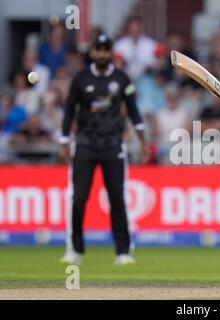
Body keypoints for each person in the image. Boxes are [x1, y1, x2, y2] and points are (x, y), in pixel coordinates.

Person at [59, 34, 148, 266]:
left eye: (105, 50)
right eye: (98, 50)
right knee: (78, 197)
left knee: (117, 198)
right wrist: (63, 141)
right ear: (92, 53)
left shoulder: (121, 79)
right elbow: (69, 111)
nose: (101, 54)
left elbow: (133, 110)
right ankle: (74, 248)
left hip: (112, 144)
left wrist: (143, 141)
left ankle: (123, 251)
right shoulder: (80, 78)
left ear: (110, 53)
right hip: (85, 143)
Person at [113, 16, 157, 82]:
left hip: (146, 80)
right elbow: (116, 65)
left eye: (137, 26)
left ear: (141, 27)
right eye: (132, 27)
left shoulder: (151, 44)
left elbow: (156, 64)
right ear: (128, 28)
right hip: (125, 79)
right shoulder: (119, 44)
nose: (134, 29)